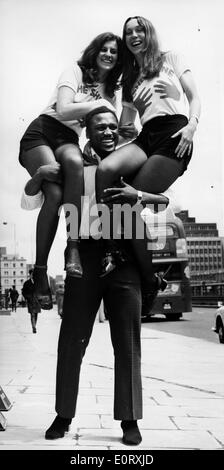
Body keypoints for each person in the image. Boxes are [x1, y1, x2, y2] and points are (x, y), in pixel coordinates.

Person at [44, 107, 174, 446]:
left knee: (127, 344)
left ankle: (129, 420)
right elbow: (42, 200)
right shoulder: (73, 166)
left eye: (113, 127)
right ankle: (63, 414)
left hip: (125, 260)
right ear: (87, 131)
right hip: (85, 256)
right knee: (71, 340)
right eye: (100, 127)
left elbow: (164, 202)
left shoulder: (131, 165)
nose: (107, 132)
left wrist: (139, 195)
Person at [96, 15, 201, 297]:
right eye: (128, 32)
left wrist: (192, 126)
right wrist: (100, 142)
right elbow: (127, 127)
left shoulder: (171, 59)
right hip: (146, 136)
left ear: (148, 33)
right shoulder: (129, 80)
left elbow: (194, 97)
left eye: (138, 30)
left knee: (128, 198)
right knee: (105, 169)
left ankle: (149, 279)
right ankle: (111, 246)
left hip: (175, 134)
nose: (133, 36)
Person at [19, 32, 123, 310]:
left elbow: (115, 126)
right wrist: (101, 105)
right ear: (95, 50)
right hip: (42, 132)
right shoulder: (75, 71)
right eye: (105, 49)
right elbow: (63, 109)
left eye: (115, 51)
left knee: (75, 164)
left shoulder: (111, 92)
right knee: (53, 193)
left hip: (68, 139)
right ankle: (40, 272)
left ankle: (73, 246)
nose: (109, 55)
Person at [22, 269, 41, 333]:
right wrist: (27, 297)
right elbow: (23, 292)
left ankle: (34, 325)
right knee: (32, 314)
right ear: (29, 275)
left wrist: (40, 299)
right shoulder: (26, 283)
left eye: (34, 274)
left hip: (37, 301)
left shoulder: (38, 283)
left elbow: (41, 291)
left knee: (36, 314)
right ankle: (34, 327)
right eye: (32, 274)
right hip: (30, 301)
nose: (33, 275)